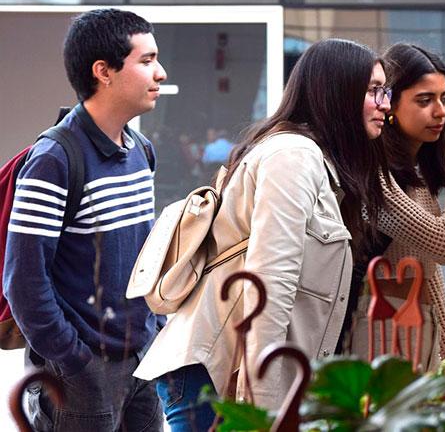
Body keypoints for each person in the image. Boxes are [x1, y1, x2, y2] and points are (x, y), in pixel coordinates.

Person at [133, 38, 392, 431]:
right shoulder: (293, 157)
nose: (385, 104)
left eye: (385, 90)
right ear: (337, 92)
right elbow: (269, 285)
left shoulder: (319, 164)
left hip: (236, 372)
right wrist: (265, 407)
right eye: (374, 90)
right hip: (220, 376)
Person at [3, 8, 166, 431]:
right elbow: (23, 279)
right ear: (103, 71)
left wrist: (156, 327)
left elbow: (143, 256)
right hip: (81, 375)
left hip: (141, 360)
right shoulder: (55, 159)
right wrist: (74, 360)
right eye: (146, 60)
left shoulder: (141, 150)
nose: (160, 72)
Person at [348, 43, 445, 371]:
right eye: (424, 100)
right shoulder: (375, 172)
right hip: (378, 346)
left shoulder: (415, 173)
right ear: (391, 105)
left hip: (405, 340)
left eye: (444, 99)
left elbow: (427, 280)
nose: (440, 111)